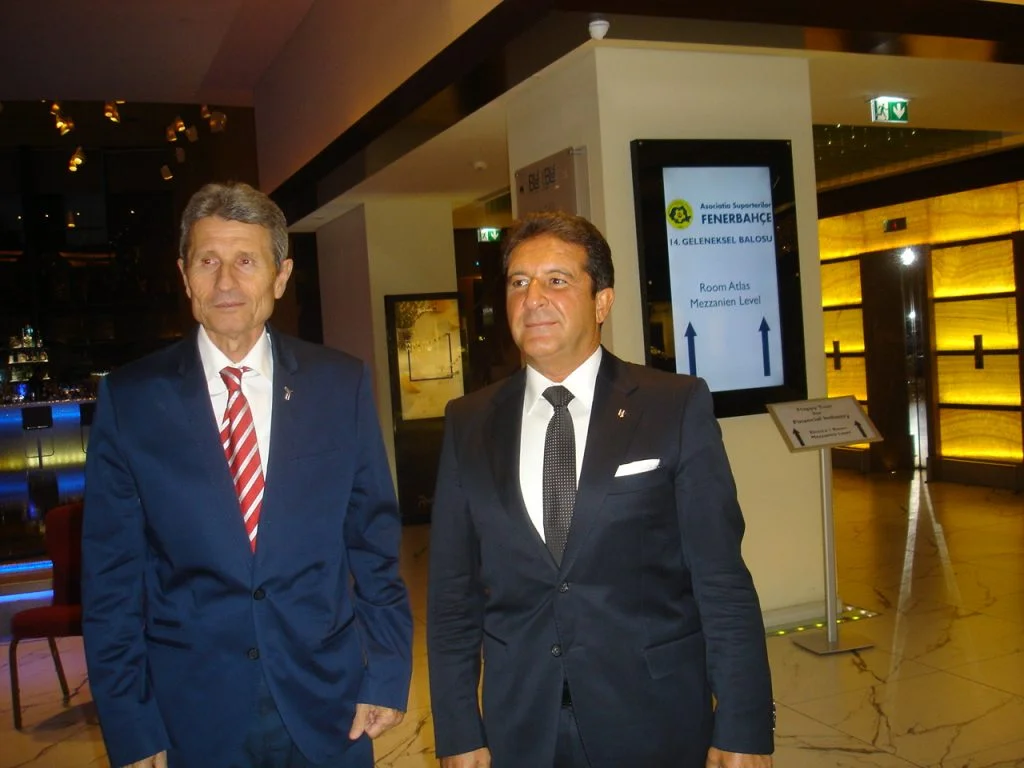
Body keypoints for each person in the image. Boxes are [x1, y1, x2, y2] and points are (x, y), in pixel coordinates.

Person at [82, 182, 412, 768]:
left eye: (245, 261)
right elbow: (111, 579)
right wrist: (130, 722)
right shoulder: (130, 400)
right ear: (185, 277)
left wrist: (386, 670)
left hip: (328, 700)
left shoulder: (340, 385)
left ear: (281, 276)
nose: (226, 283)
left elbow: (373, 545)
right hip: (191, 711)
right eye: (208, 261)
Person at [427, 211, 774, 768]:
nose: (533, 299)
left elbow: (721, 580)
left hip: (653, 714)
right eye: (519, 282)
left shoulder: (672, 406)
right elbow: (452, 594)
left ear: (602, 302)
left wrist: (743, 727)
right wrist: (458, 730)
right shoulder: (469, 421)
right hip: (522, 722)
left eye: (556, 280)